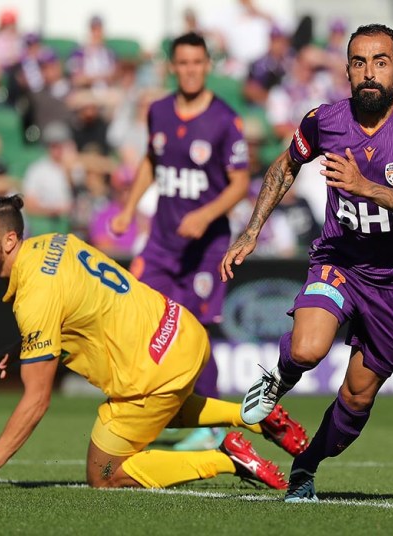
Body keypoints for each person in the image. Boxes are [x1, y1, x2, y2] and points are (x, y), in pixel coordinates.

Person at [220, 24, 393, 502]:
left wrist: (364, 186)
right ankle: (280, 376)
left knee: (357, 399)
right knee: (307, 349)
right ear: (346, 70)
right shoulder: (324, 120)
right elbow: (286, 165)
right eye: (360, 63)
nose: (370, 73)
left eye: (380, 62)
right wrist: (252, 228)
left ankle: (306, 464)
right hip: (339, 262)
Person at [0, 195, 310, 491]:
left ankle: (225, 459)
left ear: (9, 240)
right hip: (183, 332)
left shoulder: (34, 295)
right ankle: (251, 417)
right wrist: (21, 349)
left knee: (104, 474)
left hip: (154, 371)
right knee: (157, 408)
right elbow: (76, 305)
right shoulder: (53, 242)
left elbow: (36, 401)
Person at [109, 32, 269, 452]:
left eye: (198, 62)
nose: (191, 69)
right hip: (162, 243)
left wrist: (204, 214)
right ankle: (147, 411)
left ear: (208, 65)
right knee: (138, 318)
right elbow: (151, 159)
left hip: (206, 247)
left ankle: (212, 425)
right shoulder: (159, 111)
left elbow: (239, 183)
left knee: (196, 332)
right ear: (172, 67)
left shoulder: (224, 120)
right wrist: (128, 207)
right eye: (183, 62)